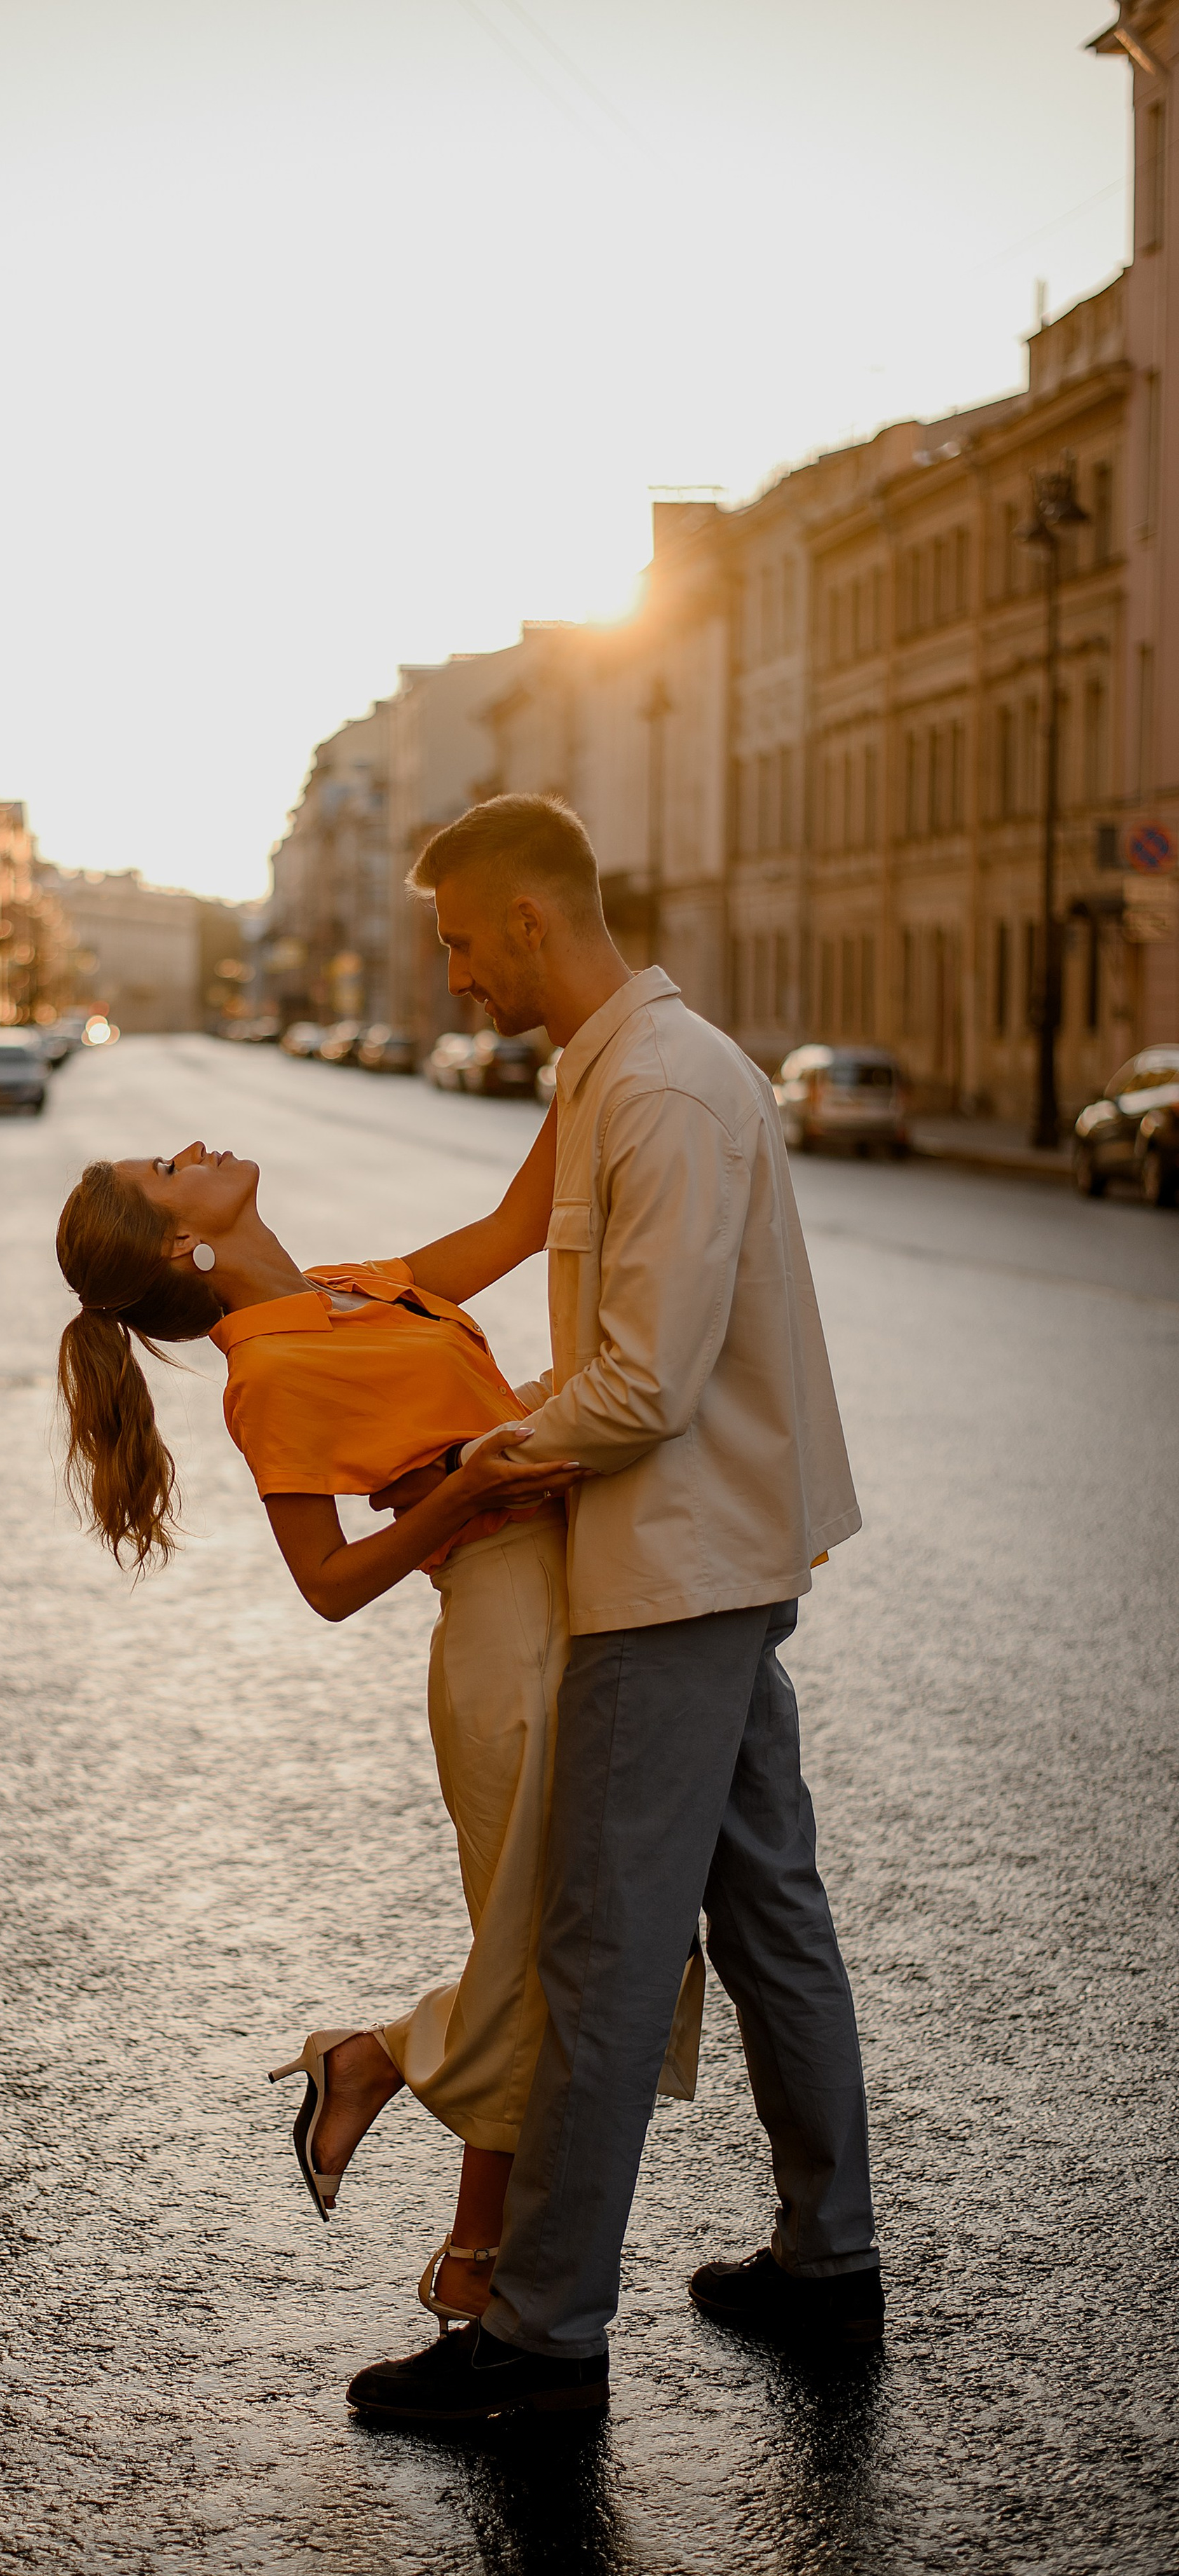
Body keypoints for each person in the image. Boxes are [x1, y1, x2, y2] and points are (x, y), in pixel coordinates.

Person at [343, 794, 880, 2430]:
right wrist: (339, 1320)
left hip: (668, 1567)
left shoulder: (658, 1088)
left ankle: (539, 2338)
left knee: (597, 1949)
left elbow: (638, 1387)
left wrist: (469, 1455)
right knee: (767, 1907)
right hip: (700, 1552)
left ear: (524, 919)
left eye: (453, 942)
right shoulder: (606, 1069)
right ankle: (824, 2262)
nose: (447, 979)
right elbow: (520, 1263)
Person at [53, 1139, 707, 2328]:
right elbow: (330, 1581)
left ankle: (394, 2100)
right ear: (176, 1243)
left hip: (579, 1581)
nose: (192, 1147)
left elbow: (516, 1223)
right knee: (559, 1954)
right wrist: (464, 1491)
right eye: (165, 1168)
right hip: (503, 1631)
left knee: (585, 1944)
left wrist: (591, 1041)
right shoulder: (270, 1372)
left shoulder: (357, 1287)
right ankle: (461, 2242)